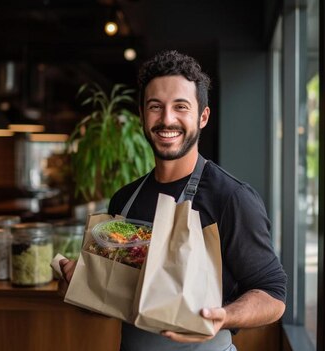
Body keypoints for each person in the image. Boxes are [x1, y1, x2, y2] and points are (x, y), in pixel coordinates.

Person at [59, 50, 287, 350]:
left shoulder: (230, 198)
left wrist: (224, 317)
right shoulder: (124, 201)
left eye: (181, 107)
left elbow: (273, 294)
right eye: (156, 106)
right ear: (142, 114)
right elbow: (109, 299)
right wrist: (77, 282)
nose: (167, 119)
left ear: (202, 116)